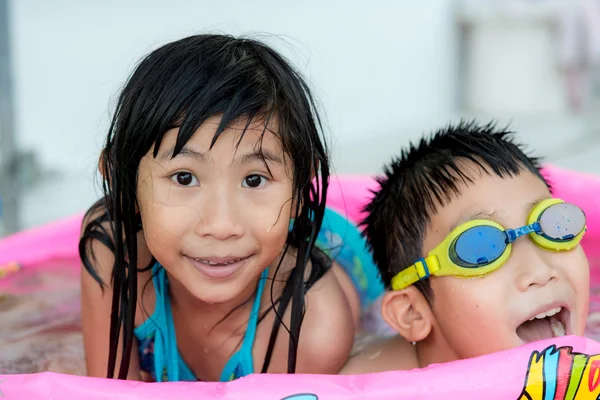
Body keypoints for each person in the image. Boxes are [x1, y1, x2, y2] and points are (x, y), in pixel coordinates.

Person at [79, 34, 383, 382]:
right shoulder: (112, 250)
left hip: (335, 249)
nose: (221, 225)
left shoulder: (311, 332)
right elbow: (110, 390)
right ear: (124, 186)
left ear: (301, 189)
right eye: (183, 178)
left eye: (254, 179)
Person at [341, 121, 590, 373]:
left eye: (555, 225)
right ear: (412, 313)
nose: (540, 271)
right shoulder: (373, 386)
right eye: (481, 249)